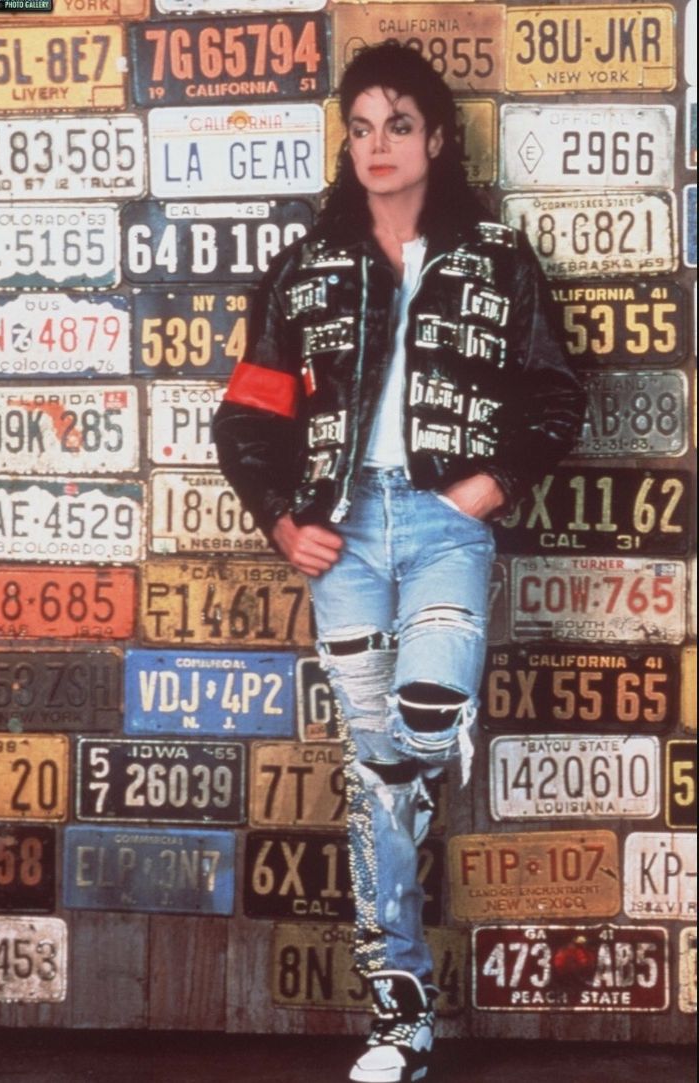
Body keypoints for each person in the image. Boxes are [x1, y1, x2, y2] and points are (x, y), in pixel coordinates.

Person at [214, 43, 585, 1083]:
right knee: (378, 790)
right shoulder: (305, 265)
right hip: (342, 539)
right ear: (347, 140)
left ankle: (416, 757)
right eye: (362, 125)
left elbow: (555, 392)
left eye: (400, 124)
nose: (378, 145)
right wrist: (284, 522)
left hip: (439, 527)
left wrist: (491, 484)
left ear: (435, 138)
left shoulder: (496, 256)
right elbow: (249, 413)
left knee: (421, 711)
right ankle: (399, 1021)